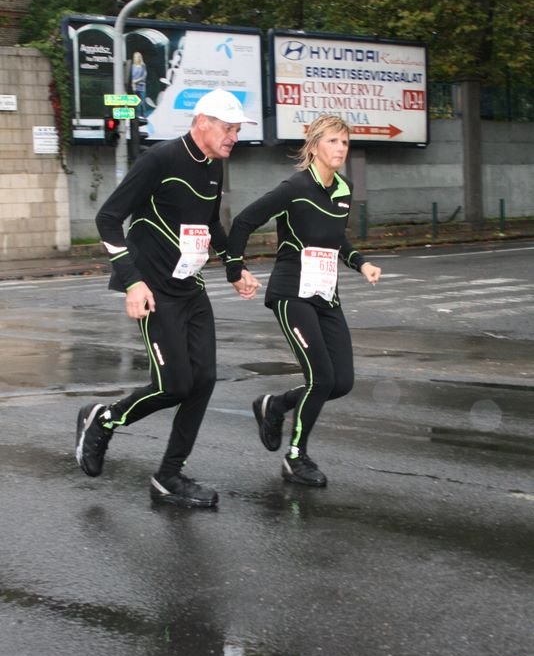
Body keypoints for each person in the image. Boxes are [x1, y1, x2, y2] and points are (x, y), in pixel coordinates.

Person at [75, 88, 260, 508]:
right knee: (174, 383)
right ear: (202, 123)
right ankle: (103, 419)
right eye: (228, 128)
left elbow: (210, 222)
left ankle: (169, 475)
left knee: (204, 379)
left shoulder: (214, 166)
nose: (234, 136)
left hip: (189, 286)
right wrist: (131, 281)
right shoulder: (160, 160)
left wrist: (235, 269)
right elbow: (107, 219)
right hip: (154, 289)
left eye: (237, 129)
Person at [225, 114, 382, 488]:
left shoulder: (342, 190)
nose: (340, 149)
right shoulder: (294, 187)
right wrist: (235, 269)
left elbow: (334, 239)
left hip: (325, 295)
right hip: (291, 293)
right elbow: (244, 221)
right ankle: (296, 457)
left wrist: (361, 263)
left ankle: (275, 405)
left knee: (341, 381)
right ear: (313, 146)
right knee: (321, 377)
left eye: (344, 142)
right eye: (332, 141)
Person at [130, 51, 147, 116]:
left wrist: (136, 81)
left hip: (141, 87)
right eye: (135, 57)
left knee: (141, 102)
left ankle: (141, 116)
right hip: (134, 87)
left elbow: (144, 76)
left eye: (138, 57)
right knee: (134, 103)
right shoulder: (132, 66)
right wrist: (132, 83)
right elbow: (130, 76)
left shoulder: (143, 65)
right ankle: (136, 116)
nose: (136, 58)